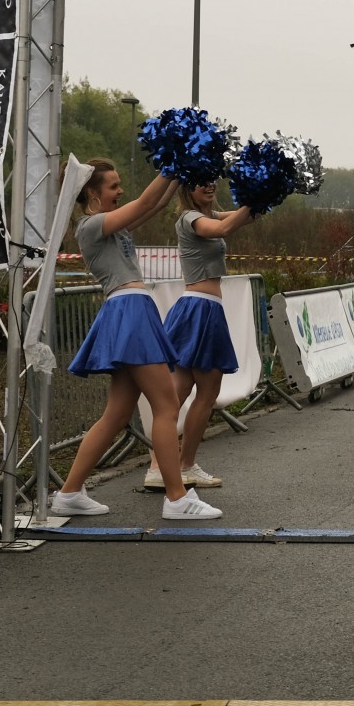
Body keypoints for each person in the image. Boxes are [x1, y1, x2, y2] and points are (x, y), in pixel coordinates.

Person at [53, 160, 221, 521]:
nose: (120, 191)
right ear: (92, 193)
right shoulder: (91, 225)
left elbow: (155, 204)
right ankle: (176, 498)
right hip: (128, 310)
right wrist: (172, 162)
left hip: (131, 310)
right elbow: (145, 202)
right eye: (113, 186)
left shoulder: (111, 223)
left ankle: (69, 493)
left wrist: (179, 170)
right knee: (166, 406)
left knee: (116, 415)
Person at [148, 183, 252, 492]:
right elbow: (224, 228)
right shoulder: (190, 218)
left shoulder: (210, 214)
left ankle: (157, 467)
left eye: (211, 180)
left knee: (178, 392)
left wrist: (262, 195)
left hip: (198, 309)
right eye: (200, 181)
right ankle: (185, 465)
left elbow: (243, 217)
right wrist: (253, 203)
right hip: (200, 309)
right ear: (187, 189)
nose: (209, 185)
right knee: (206, 393)